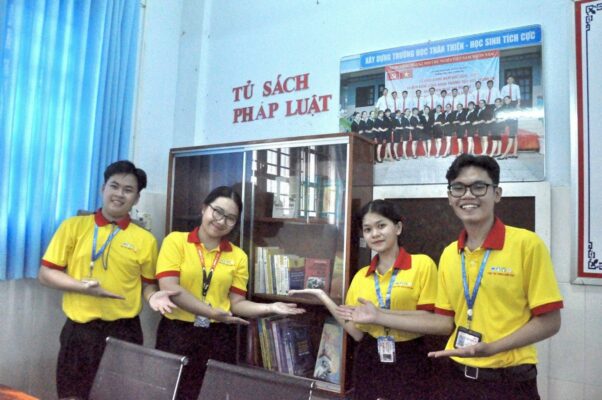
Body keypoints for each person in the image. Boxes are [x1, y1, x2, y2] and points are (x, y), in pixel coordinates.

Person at [348, 155, 563, 400]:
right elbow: (444, 321)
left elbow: (550, 322)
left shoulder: (527, 245)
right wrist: (377, 314)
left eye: (479, 186)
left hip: (510, 379)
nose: (468, 195)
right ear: (450, 197)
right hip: (457, 377)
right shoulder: (451, 254)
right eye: (458, 188)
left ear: (497, 194)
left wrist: (491, 348)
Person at [38, 160, 177, 400]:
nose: (119, 194)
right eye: (114, 186)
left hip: (124, 333)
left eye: (128, 190)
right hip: (80, 331)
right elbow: (46, 274)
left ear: (136, 198)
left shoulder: (145, 240)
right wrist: (82, 287)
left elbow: (147, 284)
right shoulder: (73, 226)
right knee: (72, 395)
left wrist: (153, 296)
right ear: (103, 189)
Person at [154, 186, 305, 399]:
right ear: (204, 208)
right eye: (217, 211)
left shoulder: (238, 256)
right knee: (173, 393)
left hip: (218, 336)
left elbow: (237, 303)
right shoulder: (176, 241)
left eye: (230, 218)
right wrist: (210, 312)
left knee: (213, 394)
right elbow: (170, 288)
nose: (221, 221)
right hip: (177, 332)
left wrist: (270, 307)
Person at [290, 199, 438, 400]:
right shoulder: (361, 276)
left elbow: (431, 320)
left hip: (410, 356)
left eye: (381, 226)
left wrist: (379, 316)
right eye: (368, 229)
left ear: (398, 228)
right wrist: (323, 297)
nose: (375, 234)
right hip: (369, 355)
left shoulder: (422, 265)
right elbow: (357, 332)